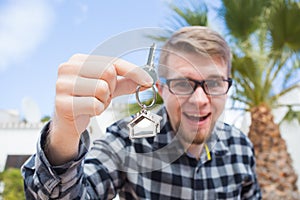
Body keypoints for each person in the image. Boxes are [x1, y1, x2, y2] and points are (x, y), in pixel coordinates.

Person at [22, 26, 261, 199]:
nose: (199, 100)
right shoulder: (128, 140)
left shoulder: (241, 147)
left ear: (227, 86)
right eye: (182, 84)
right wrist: (65, 132)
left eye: (214, 83)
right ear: (161, 89)